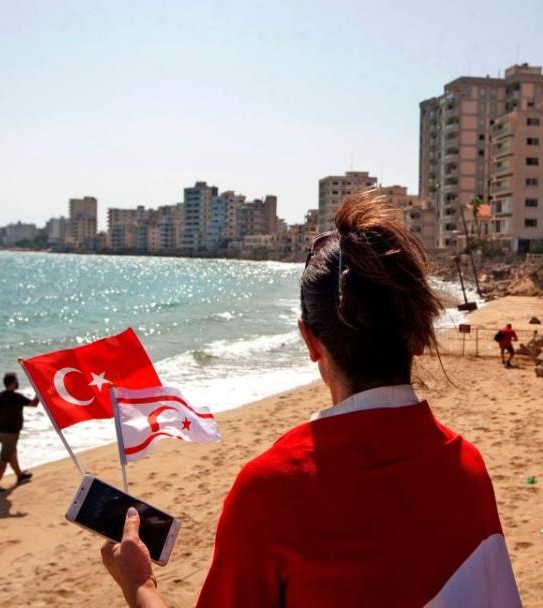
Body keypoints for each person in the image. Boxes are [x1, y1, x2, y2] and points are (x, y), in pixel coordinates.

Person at [101, 190, 521, 607]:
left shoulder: (271, 492)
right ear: (417, 337)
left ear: (309, 340)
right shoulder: (468, 470)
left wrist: (139, 585)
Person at [0, 371, 40, 497]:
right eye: (16, 380)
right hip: (10, 434)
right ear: (12, 383)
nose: (18, 383)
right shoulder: (17, 398)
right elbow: (34, 404)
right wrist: (39, 392)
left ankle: (20, 476)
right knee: (4, 459)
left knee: (12, 453)